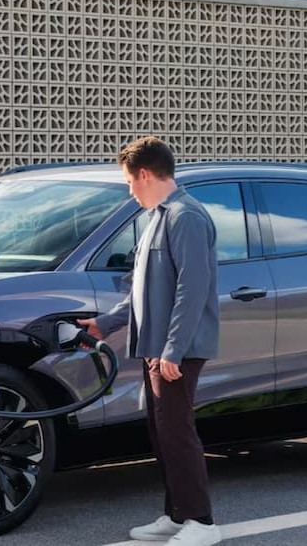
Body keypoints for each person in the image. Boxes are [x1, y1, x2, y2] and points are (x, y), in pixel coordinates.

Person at [78, 137, 220, 546]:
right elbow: (142, 289)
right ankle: (177, 515)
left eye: (129, 181)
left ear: (144, 173)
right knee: (162, 432)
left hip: (177, 348)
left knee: (176, 431)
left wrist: (174, 350)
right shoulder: (157, 217)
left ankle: (203, 523)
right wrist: (106, 324)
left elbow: (192, 290)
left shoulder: (186, 217)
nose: (129, 190)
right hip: (156, 346)